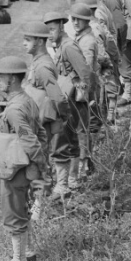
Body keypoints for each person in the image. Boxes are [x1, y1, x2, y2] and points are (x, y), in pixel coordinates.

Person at [0, 56, 48, 261]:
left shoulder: (15, 109)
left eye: (1, 76)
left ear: (12, 78)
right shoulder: (27, 99)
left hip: (16, 168)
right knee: (23, 209)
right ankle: (29, 252)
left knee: (13, 211)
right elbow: (41, 133)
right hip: (24, 165)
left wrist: (40, 165)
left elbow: (29, 139)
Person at [44, 11, 93, 188]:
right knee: (70, 139)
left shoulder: (68, 46)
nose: (49, 34)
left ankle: (64, 183)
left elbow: (85, 72)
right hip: (68, 98)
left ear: (61, 27)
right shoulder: (61, 45)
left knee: (63, 138)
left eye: (52, 29)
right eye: (46, 31)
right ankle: (72, 180)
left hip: (72, 100)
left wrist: (82, 94)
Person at [22, 23, 71, 200]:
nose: (23, 43)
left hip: (42, 121)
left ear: (40, 42)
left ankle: (39, 205)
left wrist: (63, 116)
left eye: (28, 40)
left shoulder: (42, 66)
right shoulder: (38, 61)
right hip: (36, 117)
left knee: (38, 159)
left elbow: (57, 96)